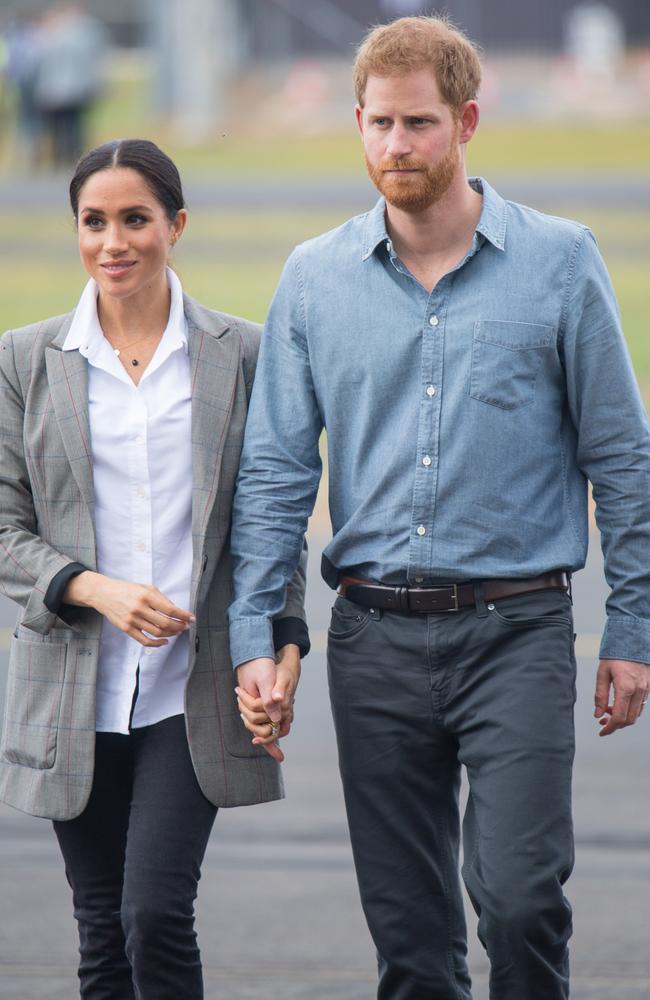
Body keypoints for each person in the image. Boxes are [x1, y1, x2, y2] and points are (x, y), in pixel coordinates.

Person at [228, 14, 650, 1000]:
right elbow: (276, 476)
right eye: (376, 123)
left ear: (465, 121)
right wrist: (255, 634)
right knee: (411, 947)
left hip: (520, 629)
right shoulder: (313, 279)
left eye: (417, 123)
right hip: (371, 642)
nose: (394, 146)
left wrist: (629, 627)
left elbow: (620, 460)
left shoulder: (559, 261)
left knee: (516, 900)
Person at [0, 138, 307, 999]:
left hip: (192, 686)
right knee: (102, 932)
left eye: (135, 219)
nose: (113, 242)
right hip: (71, 690)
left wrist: (283, 648)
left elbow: (271, 524)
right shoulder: (23, 360)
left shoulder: (242, 353)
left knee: (155, 914)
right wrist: (93, 588)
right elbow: (3, 525)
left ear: (175, 224)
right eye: (93, 222)